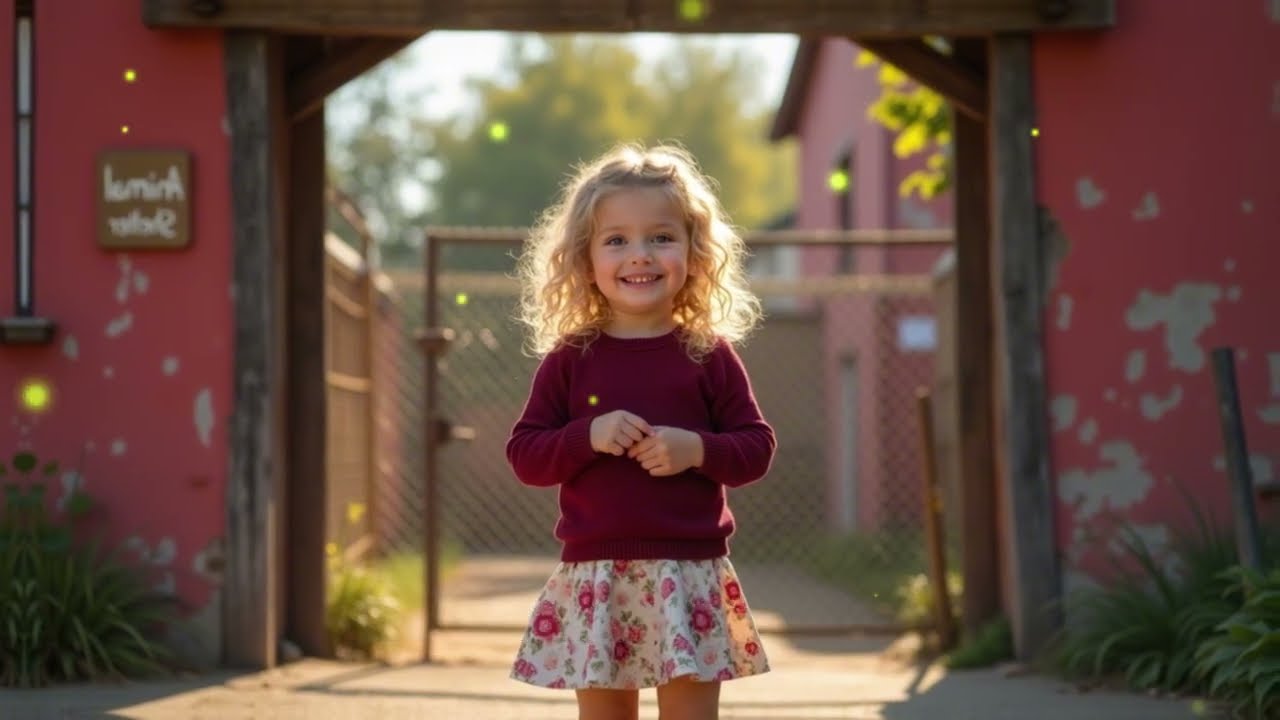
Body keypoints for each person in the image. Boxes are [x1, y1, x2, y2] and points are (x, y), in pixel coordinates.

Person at [505, 142, 777, 720]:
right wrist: (587, 436)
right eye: (616, 240)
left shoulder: (708, 354)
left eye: (661, 237)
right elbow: (526, 454)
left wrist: (696, 449)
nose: (640, 255)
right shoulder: (570, 359)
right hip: (597, 577)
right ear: (585, 261)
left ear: (694, 254)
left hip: (690, 575)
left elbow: (755, 447)